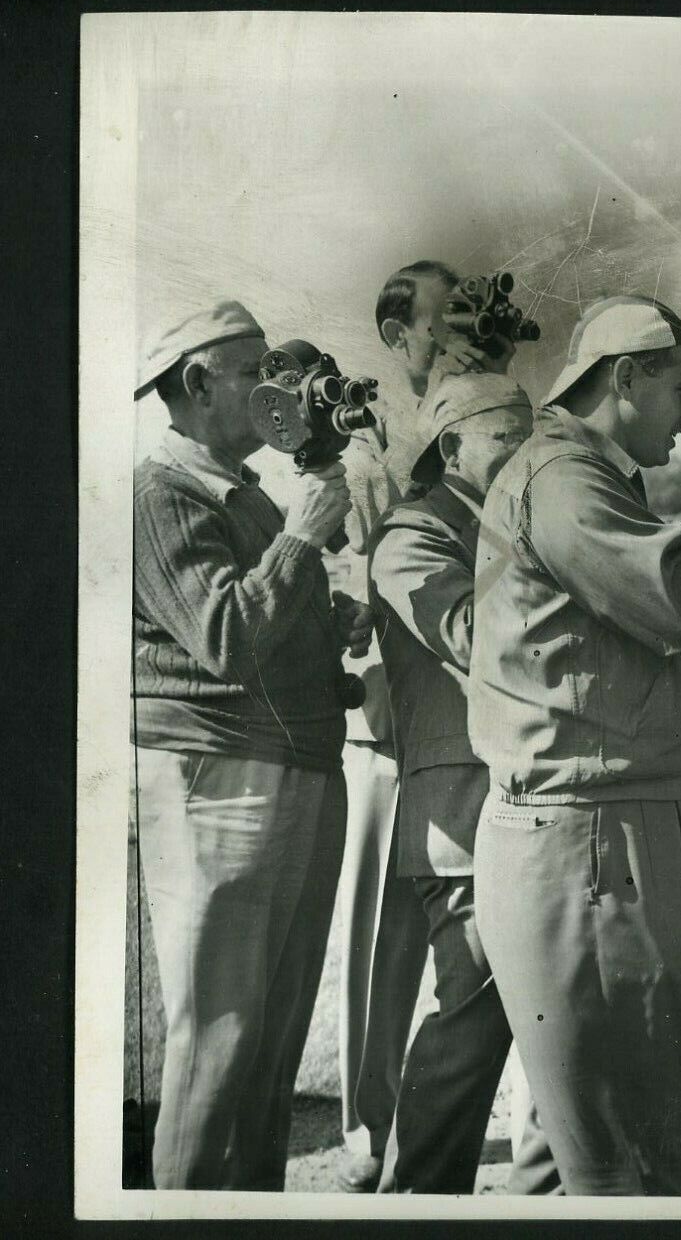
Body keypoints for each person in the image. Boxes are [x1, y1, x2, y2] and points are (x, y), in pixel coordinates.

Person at [468, 294, 681, 1194]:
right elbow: (680, 604)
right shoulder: (566, 477)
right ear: (627, 376)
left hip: (591, 828)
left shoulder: (572, 472)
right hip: (591, 835)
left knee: (589, 1144)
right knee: (640, 1147)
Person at [131, 300, 371, 1188]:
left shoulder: (246, 494)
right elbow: (225, 634)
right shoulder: (159, 493)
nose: (275, 389)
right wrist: (303, 537)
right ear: (196, 384)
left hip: (289, 768)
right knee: (221, 1038)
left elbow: (260, 629)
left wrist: (327, 621)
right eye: (252, 371)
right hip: (220, 776)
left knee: (269, 1038)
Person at [334, 258, 509, 1189]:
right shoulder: (368, 445)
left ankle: (484, 1134)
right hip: (388, 719)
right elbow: (356, 579)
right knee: (384, 946)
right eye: (443, 326)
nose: (460, 340)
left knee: (476, 959)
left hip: (462, 723)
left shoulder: (486, 418)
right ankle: (371, 1134)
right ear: (398, 335)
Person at [365, 373, 557, 1194]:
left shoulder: (504, 518)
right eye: (509, 441)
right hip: (460, 820)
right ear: (452, 448)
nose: (528, 458)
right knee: (471, 1024)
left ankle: (554, 1197)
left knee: (554, 1016)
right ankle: (417, 1201)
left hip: (530, 802)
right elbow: (480, 635)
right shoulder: (412, 535)